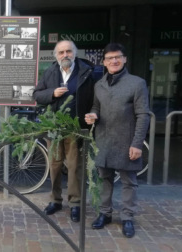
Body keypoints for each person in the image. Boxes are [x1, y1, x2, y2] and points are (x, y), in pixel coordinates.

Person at [85, 43, 150, 238]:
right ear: (104, 62)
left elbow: (143, 115)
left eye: (118, 57)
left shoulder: (137, 83)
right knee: (105, 179)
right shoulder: (99, 85)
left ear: (125, 59)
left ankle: (127, 217)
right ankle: (105, 214)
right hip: (104, 140)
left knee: (129, 181)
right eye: (109, 58)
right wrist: (92, 115)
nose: (114, 61)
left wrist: (137, 143)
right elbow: (96, 107)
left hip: (126, 141)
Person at [33, 40, 96, 222]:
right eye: (61, 52)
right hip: (53, 127)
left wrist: (92, 115)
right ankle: (55, 200)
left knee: (74, 166)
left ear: (74, 53)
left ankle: (75, 203)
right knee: (55, 165)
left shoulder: (86, 72)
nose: (65, 55)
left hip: (75, 128)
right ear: (56, 55)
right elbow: (37, 94)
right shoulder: (51, 71)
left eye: (68, 51)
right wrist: (52, 93)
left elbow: (94, 98)